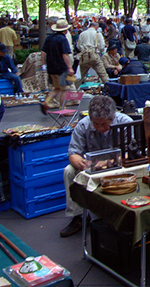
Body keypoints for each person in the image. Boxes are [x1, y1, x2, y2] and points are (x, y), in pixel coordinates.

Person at [60, 95, 133, 237]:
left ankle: (122, 214)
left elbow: (133, 154)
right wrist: (81, 163)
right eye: (96, 124)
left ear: (113, 118)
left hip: (119, 166)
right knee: (69, 170)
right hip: (92, 166)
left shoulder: (125, 123)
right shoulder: (84, 124)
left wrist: (109, 163)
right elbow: (73, 153)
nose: (99, 128)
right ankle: (78, 217)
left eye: (104, 124)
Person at [41, 19, 74, 113]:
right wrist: (70, 67)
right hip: (61, 68)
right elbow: (65, 54)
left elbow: (43, 52)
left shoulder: (49, 38)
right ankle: (63, 109)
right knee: (65, 89)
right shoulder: (63, 39)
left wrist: (43, 64)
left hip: (51, 67)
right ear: (65, 30)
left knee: (56, 88)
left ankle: (46, 102)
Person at [75, 22, 108, 88]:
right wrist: (99, 51)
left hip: (84, 57)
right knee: (103, 75)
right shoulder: (98, 34)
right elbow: (102, 47)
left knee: (79, 77)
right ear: (96, 26)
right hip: (94, 56)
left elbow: (78, 46)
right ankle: (110, 90)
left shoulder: (82, 34)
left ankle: (72, 92)